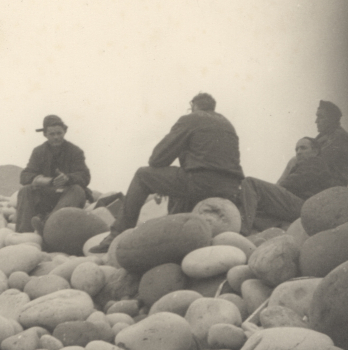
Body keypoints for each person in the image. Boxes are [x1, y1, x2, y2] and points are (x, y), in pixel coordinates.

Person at [90, 93, 244, 253]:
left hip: (200, 183)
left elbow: (157, 159)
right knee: (181, 185)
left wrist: (162, 181)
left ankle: (116, 236)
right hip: (230, 189)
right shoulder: (227, 124)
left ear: (194, 106)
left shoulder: (190, 119)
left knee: (142, 175)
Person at [239, 137, 335, 235]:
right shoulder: (306, 165)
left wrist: (274, 188)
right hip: (300, 208)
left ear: (315, 151)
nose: (299, 152)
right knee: (254, 208)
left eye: (303, 148)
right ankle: (280, 227)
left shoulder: (316, 162)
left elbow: (293, 183)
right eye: (296, 149)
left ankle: (243, 230)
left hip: (304, 205)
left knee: (250, 183)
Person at [15, 115, 92, 233]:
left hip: (67, 196)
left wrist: (68, 178)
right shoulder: (38, 152)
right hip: (46, 196)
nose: (56, 137)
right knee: (25, 190)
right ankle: (24, 234)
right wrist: (43, 180)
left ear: (64, 132)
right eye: (52, 134)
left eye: (59, 133)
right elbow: (25, 175)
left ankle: (46, 223)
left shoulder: (75, 151)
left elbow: (84, 176)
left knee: (78, 190)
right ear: (45, 134)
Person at [277, 100, 348, 188]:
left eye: (320, 117)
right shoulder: (323, 136)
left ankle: (279, 188)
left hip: (331, 181)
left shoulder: (339, 136)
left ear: (331, 118)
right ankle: (278, 188)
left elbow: (319, 162)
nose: (316, 121)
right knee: (295, 160)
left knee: (295, 160)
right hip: (319, 177)